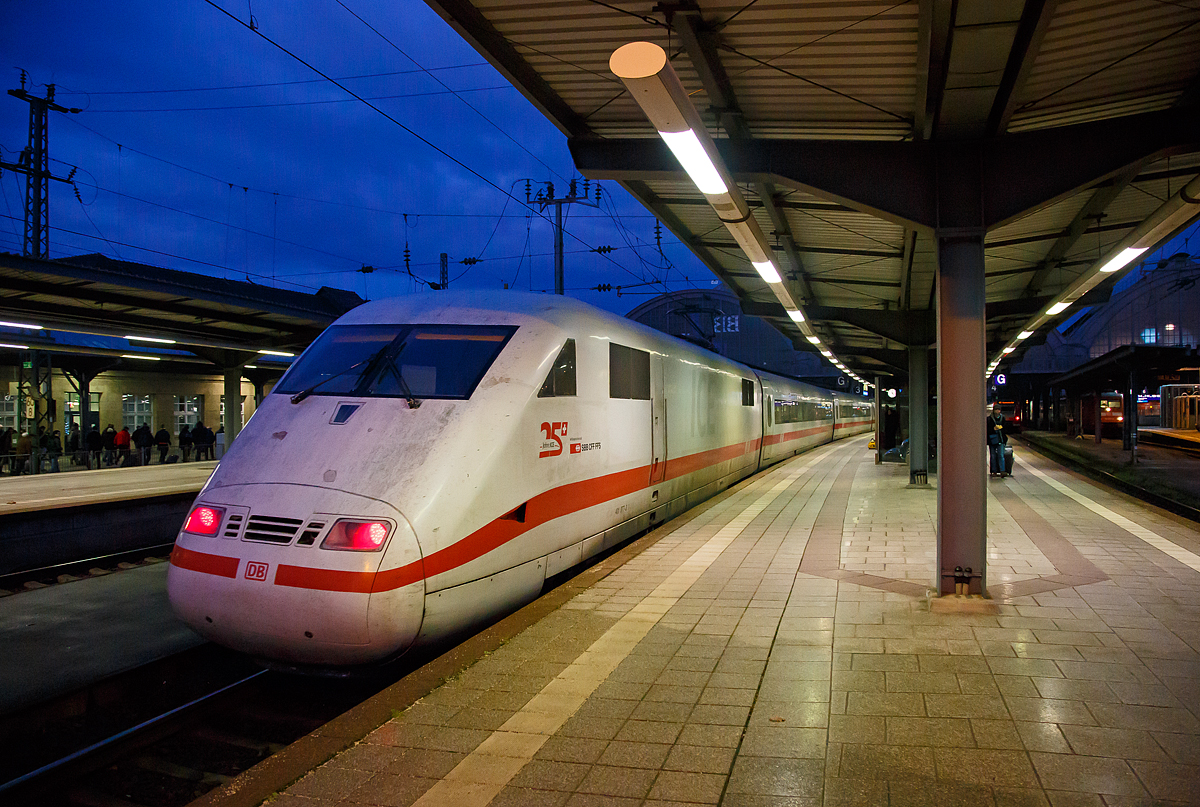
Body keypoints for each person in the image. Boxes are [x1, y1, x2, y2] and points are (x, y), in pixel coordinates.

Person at [987, 403, 1008, 477]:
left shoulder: (1003, 418)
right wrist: (993, 429)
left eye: (998, 410)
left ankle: (1002, 470)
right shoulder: (989, 419)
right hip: (992, 440)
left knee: (1001, 455)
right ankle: (994, 471)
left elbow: (1006, 429)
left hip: (1000, 439)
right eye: (996, 409)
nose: (997, 411)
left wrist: (1001, 429)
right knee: (993, 456)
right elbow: (987, 430)